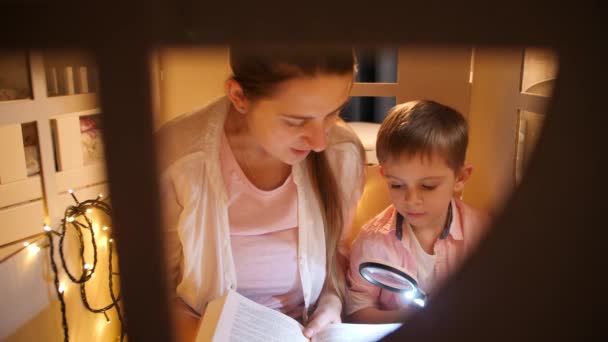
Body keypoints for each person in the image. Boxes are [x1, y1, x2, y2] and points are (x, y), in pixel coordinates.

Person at [156, 46, 366, 341]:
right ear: (239, 97)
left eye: (334, 113)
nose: (319, 142)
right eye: (295, 121)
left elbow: (338, 260)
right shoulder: (176, 157)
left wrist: (332, 303)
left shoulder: (340, 154)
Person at [345, 100, 490, 323]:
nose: (411, 200)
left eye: (428, 186)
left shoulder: (482, 233)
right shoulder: (372, 242)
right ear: (384, 175)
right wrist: (411, 318)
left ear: (460, 178)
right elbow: (357, 311)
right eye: (397, 185)